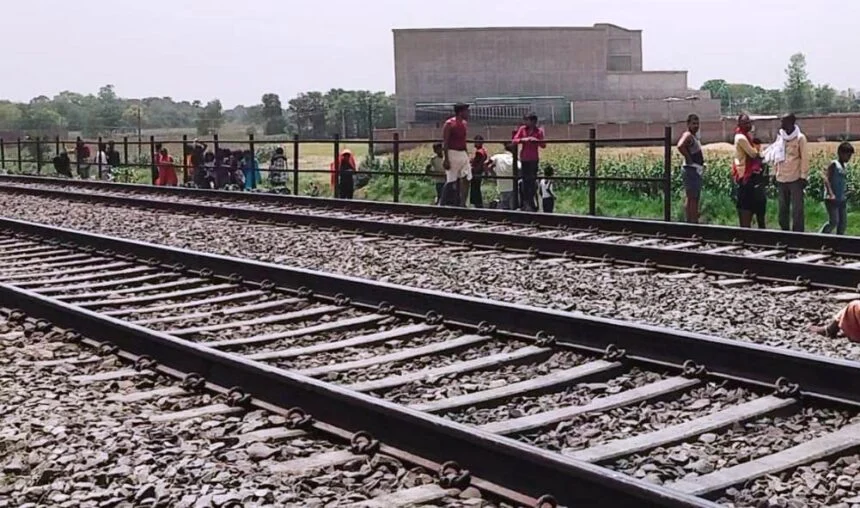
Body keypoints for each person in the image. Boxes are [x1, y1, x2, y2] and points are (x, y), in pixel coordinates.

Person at [766, 113, 809, 232]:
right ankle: (784, 232)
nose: (781, 124)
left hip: (795, 179)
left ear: (791, 122)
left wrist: (803, 177)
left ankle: (798, 234)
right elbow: (776, 156)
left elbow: (804, 158)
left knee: (797, 210)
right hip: (781, 178)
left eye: (784, 122)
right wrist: (774, 174)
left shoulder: (800, 138)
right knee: (782, 209)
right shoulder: (780, 137)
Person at [732, 114, 765, 228]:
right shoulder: (741, 138)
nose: (748, 125)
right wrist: (759, 150)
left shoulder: (745, 136)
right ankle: (745, 230)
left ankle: (747, 230)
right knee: (745, 205)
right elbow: (753, 154)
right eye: (745, 123)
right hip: (744, 175)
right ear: (739, 124)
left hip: (748, 174)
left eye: (749, 122)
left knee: (749, 204)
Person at [513, 112, 546, 212]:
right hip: (524, 159)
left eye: (527, 120)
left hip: (533, 159)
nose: (525, 122)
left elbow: (543, 145)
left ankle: (531, 203)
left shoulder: (539, 131)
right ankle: (525, 203)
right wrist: (525, 139)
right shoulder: (522, 129)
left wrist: (535, 140)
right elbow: (515, 140)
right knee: (524, 181)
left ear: (533, 121)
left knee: (532, 181)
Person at [820, 142, 854, 235]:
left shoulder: (844, 167)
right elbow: (826, 179)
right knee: (833, 221)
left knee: (843, 223)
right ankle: (820, 237)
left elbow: (844, 181)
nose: (849, 158)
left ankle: (839, 241)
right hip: (832, 199)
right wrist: (831, 193)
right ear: (840, 153)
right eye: (848, 155)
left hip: (841, 198)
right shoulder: (834, 164)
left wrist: (849, 190)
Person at [677, 114, 706, 223]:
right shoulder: (688, 135)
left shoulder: (694, 137)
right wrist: (688, 158)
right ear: (688, 124)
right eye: (693, 123)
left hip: (694, 170)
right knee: (692, 198)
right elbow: (680, 146)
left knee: (693, 197)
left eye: (697, 123)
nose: (696, 126)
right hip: (691, 170)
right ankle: (692, 222)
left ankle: (691, 221)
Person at [441, 103, 471, 207]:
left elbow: (464, 140)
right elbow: (445, 141)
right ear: (461, 112)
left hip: (462, 152)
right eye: (466, 111)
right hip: (452, 152)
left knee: (467, 177)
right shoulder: (449, 124)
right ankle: (442, 202)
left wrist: (467, 154)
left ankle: (463, 204)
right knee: (451, 180)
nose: (468, 113)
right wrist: (446, 158)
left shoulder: (464, 123)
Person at [486, 143, 517, 210]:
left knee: (505, 207)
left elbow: (486, 164)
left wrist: (493, 174)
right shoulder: (515, 159)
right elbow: (520, 169)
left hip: (501, 186)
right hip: (513, 187)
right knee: (513, 208)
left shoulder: (497, 157)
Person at [470, 135, 488, 208]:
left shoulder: (479, 152)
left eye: (476, 142)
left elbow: (476, 164)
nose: (474, 143)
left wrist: (471, 163)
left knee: (475, 189)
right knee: (476, 188)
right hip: (479, 172)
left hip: (476, 172)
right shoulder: (483, 151)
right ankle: (478, 204)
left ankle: (478, 204)